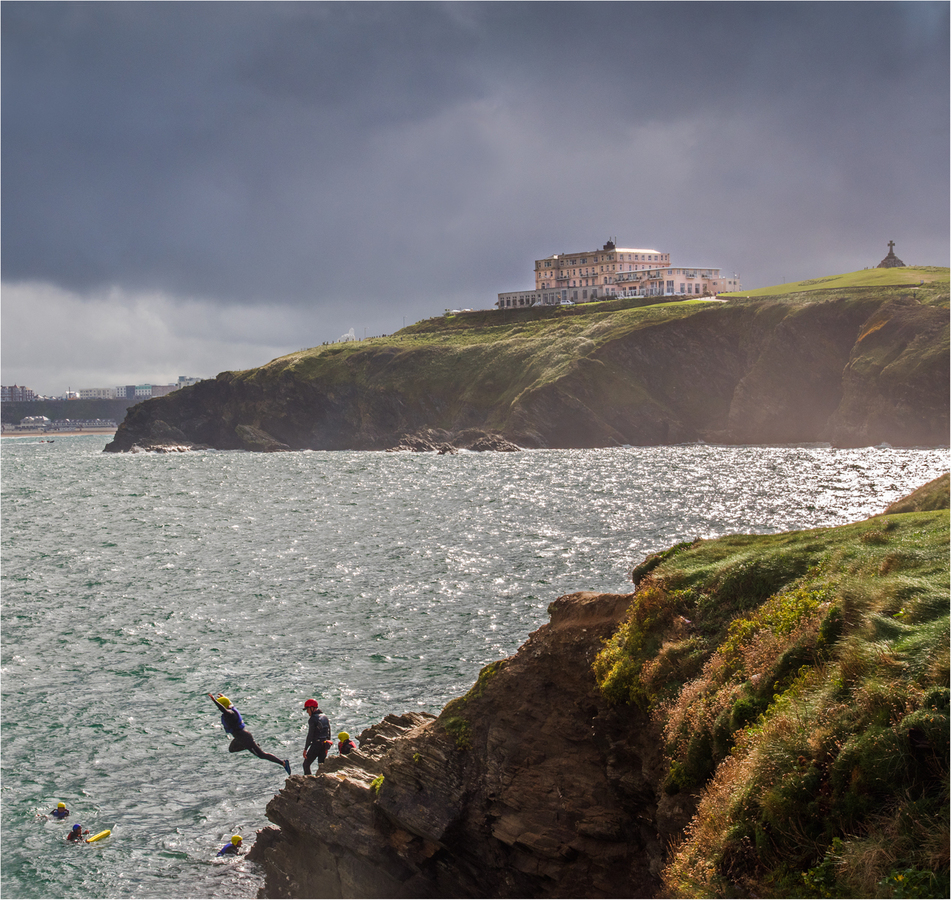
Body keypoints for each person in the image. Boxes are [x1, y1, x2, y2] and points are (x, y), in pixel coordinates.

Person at [208, 693, 291, 775]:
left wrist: (214, 701)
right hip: (240, 738)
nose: (218, 709)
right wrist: (224, 698)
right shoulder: (231, 710)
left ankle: (283, 763)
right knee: (232, 749)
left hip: (244, 737)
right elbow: (226, 705)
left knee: (261, 755)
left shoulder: (230, 714)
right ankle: (252, 745)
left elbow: (223, 709)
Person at [302, 699, 331, 774]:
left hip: (316, 745)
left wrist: (305, 749)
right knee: (321, 765)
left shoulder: (312, 719)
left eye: (307, 709)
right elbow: (328, 732)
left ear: (312, 708)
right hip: (324, 744)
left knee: (306, 764)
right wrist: (328, 744)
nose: (307, 711)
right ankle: (323, 779)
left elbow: (310, 735)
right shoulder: (325, 717)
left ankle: (309, 779)